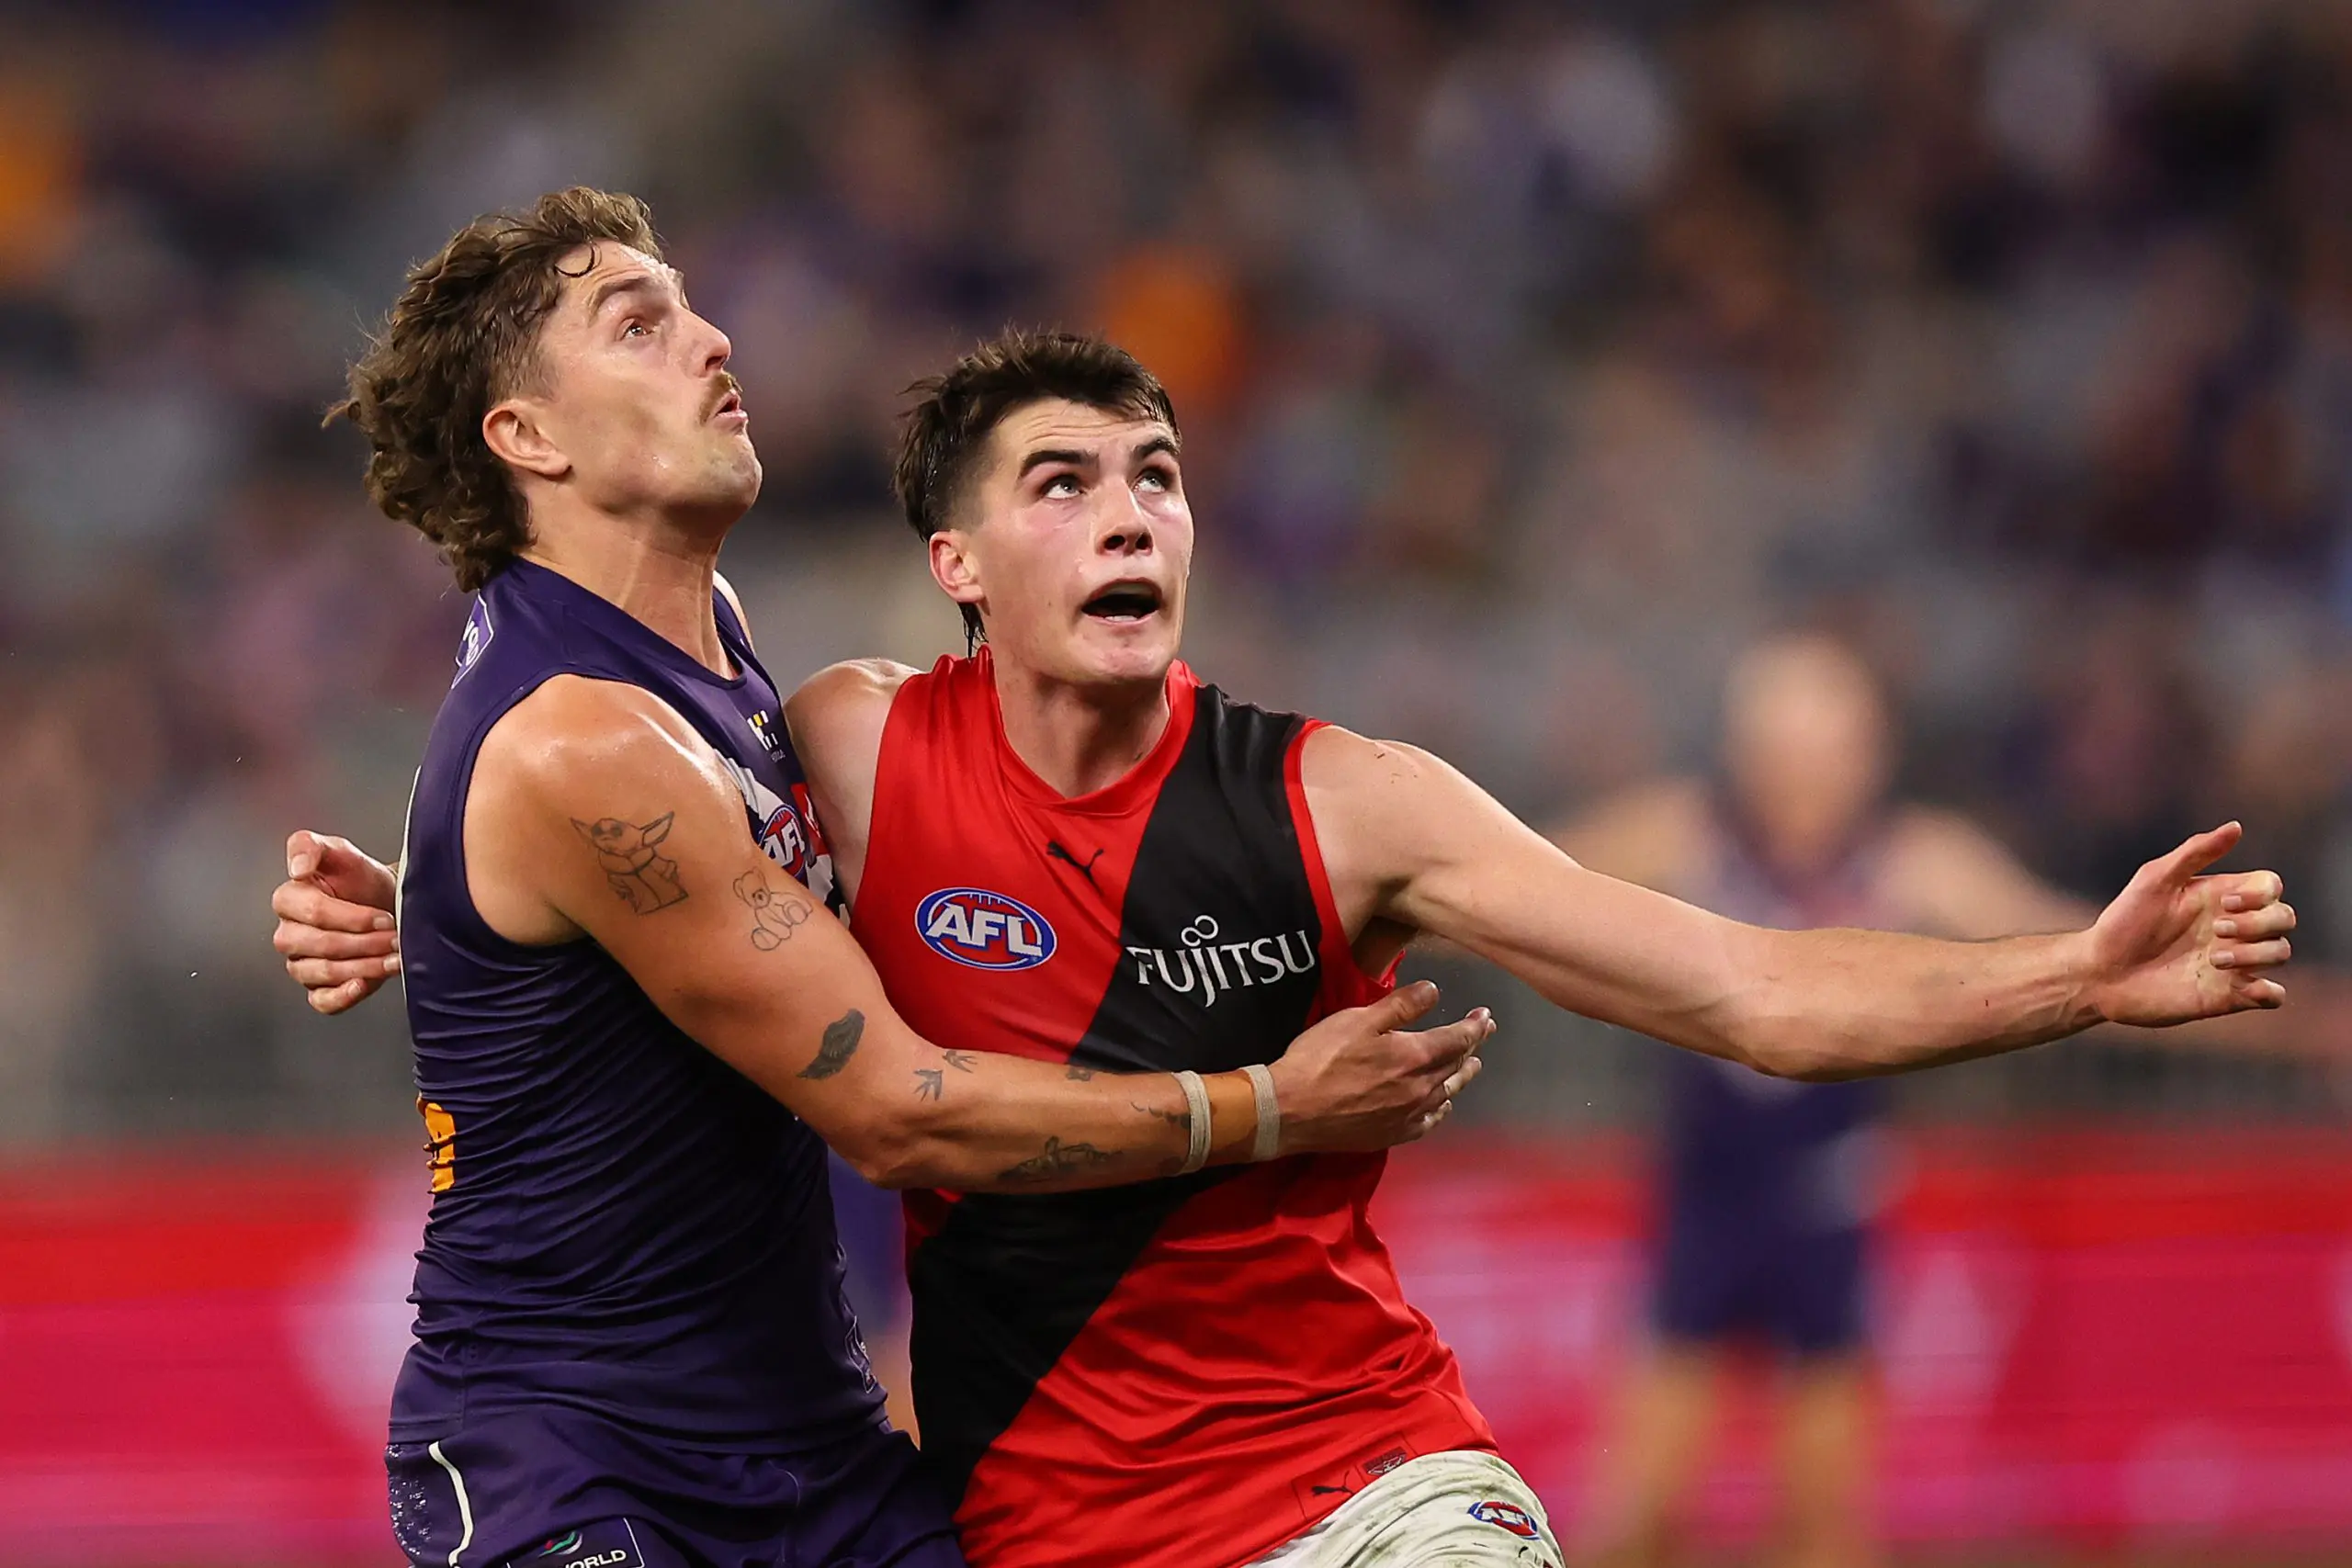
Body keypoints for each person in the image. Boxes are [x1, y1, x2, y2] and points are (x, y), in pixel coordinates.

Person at [277, 306, 2297, 1567]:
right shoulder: (850, 746)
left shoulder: (1353, 804)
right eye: (1059, 483)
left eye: (1154, 474)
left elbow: (1746, 985)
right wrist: (444, 910)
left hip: (1358, 1487)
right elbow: (644, 878)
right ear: (957, 564)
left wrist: (2073, 977)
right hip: (1029, 1524)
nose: (1129, 513)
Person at [281, 191, 1491, 1568]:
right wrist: (1273, 1105)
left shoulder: (701, 645)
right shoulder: (580, 738)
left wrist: (437, 901)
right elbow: (894, 1109)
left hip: (811, 1446)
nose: (714, 339)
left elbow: (691, 873)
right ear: (528, 436)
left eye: (691, 305)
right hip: (580, 1462)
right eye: (641, 323)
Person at [1553, 632, 2344, 1568]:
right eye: (1782, 754)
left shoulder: (1912, 860)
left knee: (1827, 1530)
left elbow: (2102, 966)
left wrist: (2310, 1023)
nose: (1803, 781)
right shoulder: (1681, 836)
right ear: (1743, 757)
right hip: (1703, 1209)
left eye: (1825, 752)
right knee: (1637, 1517)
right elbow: (1491, 894)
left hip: (1827, 1217)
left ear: (1869, 756)